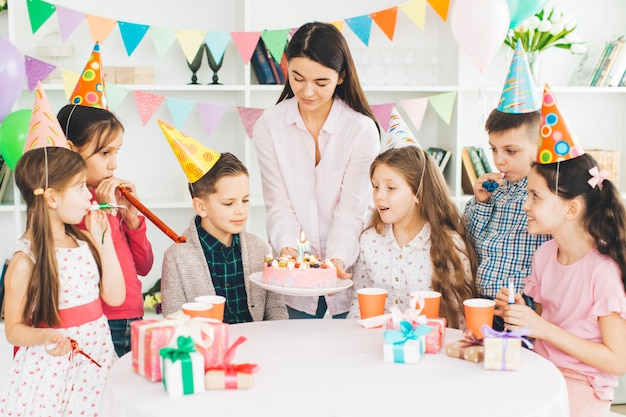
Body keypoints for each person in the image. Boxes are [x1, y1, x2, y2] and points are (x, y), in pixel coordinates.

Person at [253, 21, 380, 319]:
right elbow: (279, 206)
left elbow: (352, 211)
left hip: (349, 276)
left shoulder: (361, 130)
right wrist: (291, 253)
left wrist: (336, 261)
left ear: (341, 77)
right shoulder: (269, 126)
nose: (307, 91)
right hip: (293, 285)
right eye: (297, 78)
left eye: (321, 83)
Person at [498, 153, 626, 416]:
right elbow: (546, 325)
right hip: (542, 369)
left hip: (582, 385)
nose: (525, 205)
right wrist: (523, 315)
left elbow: (617, 360)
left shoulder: (603, 272)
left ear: (571, 209)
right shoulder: (544, 255)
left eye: (535, 196)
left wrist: (543, 328)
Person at [0, 146, 125, 415]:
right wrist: (45, 335)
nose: (88, 196)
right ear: (53, 198)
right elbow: (13, 330)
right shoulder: (25, 261)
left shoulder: (86, 241)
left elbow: (115, 298)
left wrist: (104, 241)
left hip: (98, 359)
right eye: (80, 187)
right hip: (52, 372)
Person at [158, 120, 287, 321]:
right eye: (228, 203)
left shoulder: (259, 249)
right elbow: (174, 319)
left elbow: (276, 310)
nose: (241, 210)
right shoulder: (177, 258)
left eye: (245, 200)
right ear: (201, 206)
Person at [463, 42, 550, 330]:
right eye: (493, 149)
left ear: (538, 147)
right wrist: (480, 202)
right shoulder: (495, 187)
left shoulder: (546, 194)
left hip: (518, 306)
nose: (500, 160)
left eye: (511, 151)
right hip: (477, 299)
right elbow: (469, 241)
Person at [57, 103, 154, 357]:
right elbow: (100, 257)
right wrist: (105, 211)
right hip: (103, 320)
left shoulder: (110, 200)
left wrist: (132, 219)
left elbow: (144, 266)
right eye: (104, 153)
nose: (114, 165)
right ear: (71, 151)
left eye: (116, 151)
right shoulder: (72, 208)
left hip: (135, 315)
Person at [347, 146, 477, 328]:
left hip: (429, 347)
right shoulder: (369, 240)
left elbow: (460, 320)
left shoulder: (450, 243)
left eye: (390, 187)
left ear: (418, 193)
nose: (378, 196)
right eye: (376, 186)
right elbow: (358, 304)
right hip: (377, 346)